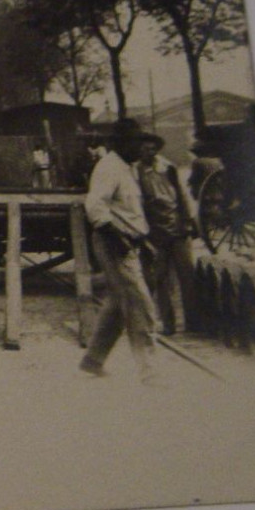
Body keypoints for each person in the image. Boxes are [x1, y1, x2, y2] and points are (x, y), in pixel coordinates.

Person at [79, 119, 162, 381]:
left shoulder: (127, 168)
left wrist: (144, 240)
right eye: (136, 142)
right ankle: (150, 372)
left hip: (128, 241)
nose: (141, 148)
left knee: (117, 305)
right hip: (114, 242)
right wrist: (116, 237)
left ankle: (93, 360)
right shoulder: (109, 167)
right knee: (140, 305)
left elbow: (129, 213)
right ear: (121, 143)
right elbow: (95, 206)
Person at [134, 132, 197, 336]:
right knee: (160, 279)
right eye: (145, 149)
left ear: (157, 149)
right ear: (139, 150)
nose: (149, 152)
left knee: (186, 275)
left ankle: (194, 322)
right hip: (154, 231)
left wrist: (189, 219)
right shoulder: (135, 171)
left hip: (177, 227)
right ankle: (168, 324)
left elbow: (182, 194)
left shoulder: (167, 167)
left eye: (152, 149)